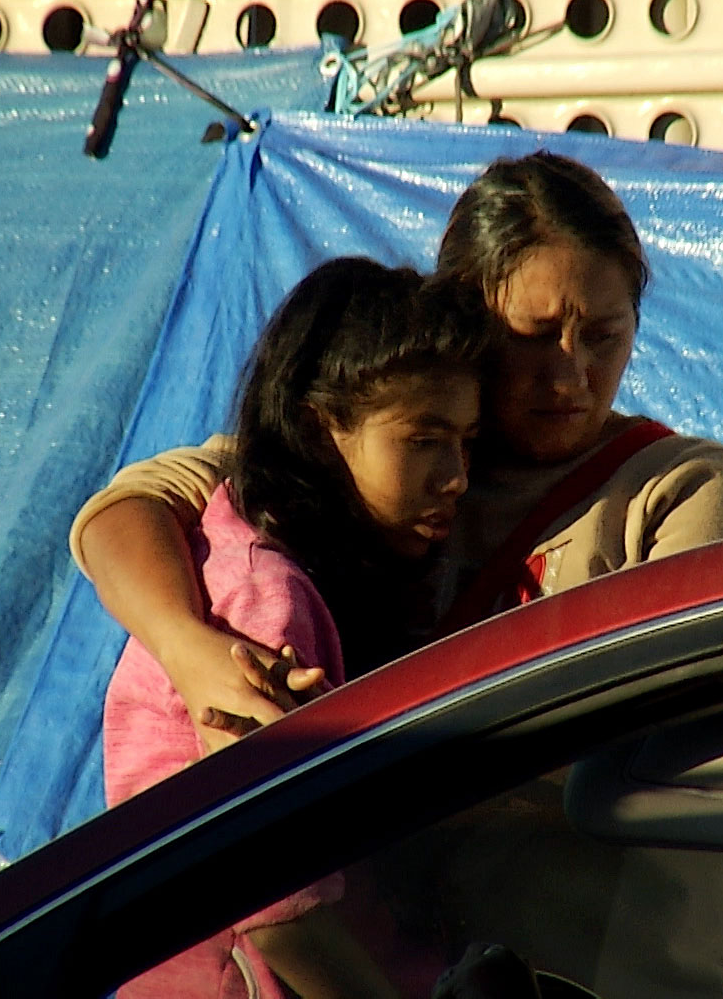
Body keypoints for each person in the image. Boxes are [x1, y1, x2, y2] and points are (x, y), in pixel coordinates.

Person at [72, 151, 723, 749]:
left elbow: (664, 725)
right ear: (464, 320)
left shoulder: (684, 489)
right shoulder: (378, 454)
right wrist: (187, 646)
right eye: (533, 333)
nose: (570, 375)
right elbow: (123, 512)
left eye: (603, 336)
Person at [103, 257, 490, 999]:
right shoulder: (263, 605)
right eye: (423, 440)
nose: (457, 477)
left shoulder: (263, 551)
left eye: (468, 443)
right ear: (320, 431)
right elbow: (276, 904)